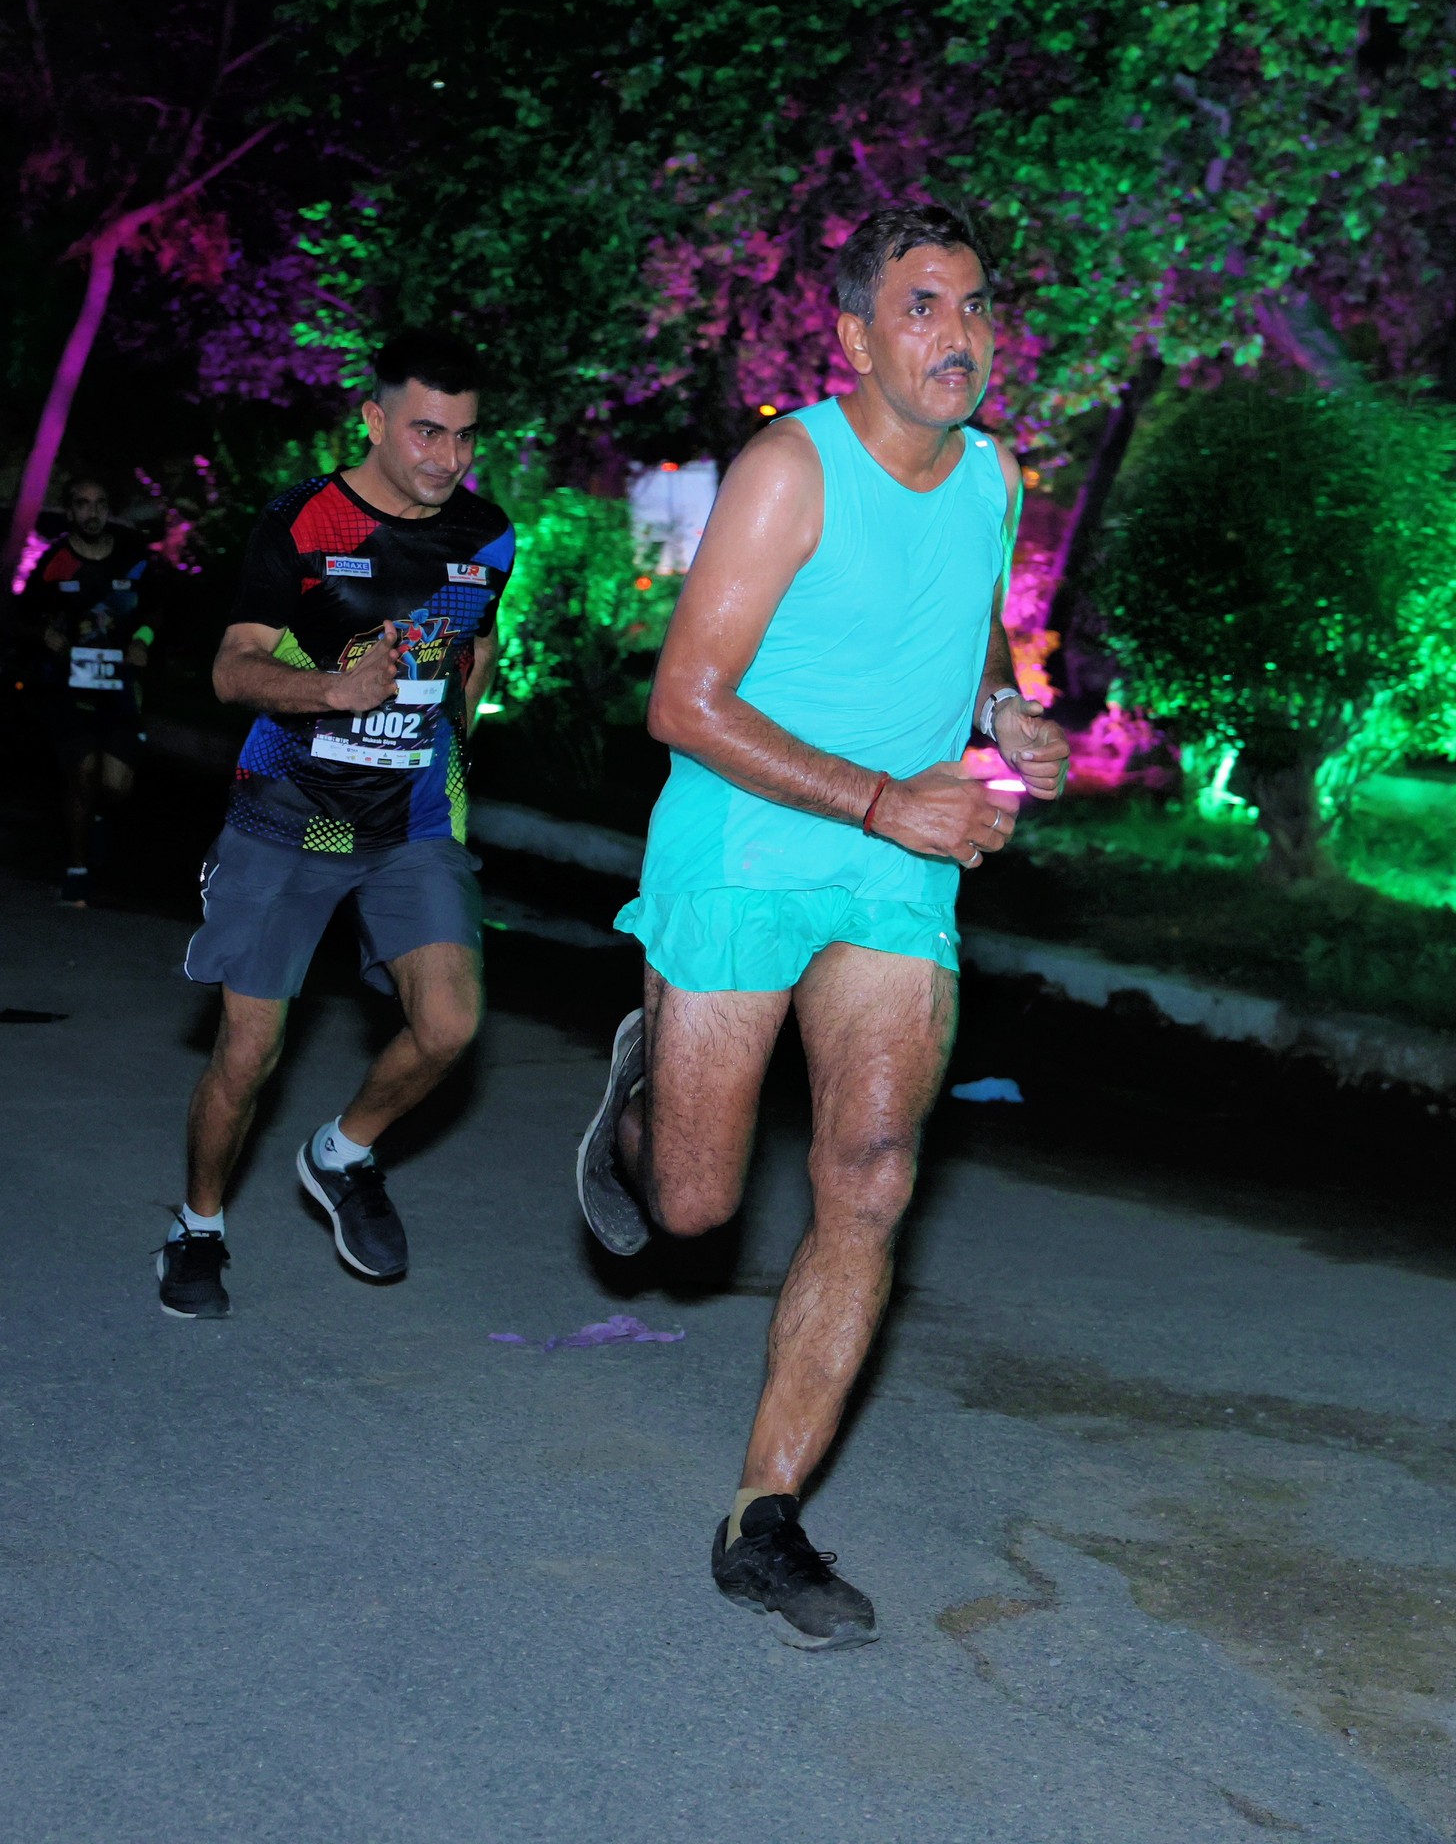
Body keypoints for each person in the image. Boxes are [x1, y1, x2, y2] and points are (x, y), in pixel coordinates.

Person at [572, 205, 1071, 1649]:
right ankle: (643, 1087)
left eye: (976, 306)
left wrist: (1006, 716)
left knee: (873, 1170)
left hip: (895, 868)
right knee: (693, 1211)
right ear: (855, 335)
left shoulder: (994, 477)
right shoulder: (790, 470)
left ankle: (766, 1520)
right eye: (922, 306)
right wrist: (879, 800)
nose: (959, 335)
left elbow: (973, 634)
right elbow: (684, 704)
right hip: (746, 841)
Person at [159, 330, 514, 1312]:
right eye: (427, 431)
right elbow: (232, 669)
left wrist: (461, 730)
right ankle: (197, 1228)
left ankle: (343, 1151)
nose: (448, 457)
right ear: (373, 419)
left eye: (465, 436)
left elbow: (477, 646)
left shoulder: (487, 534)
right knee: (247, 1054)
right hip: (290, 818)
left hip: (411, 825)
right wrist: (334, 688)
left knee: (449, 1024)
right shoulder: (303, 520)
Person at [29, 478, 153, 906]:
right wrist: (44, 634)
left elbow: (158, 612)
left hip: (120, 690)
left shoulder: (133, 559)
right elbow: (26, 613)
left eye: (100, 504)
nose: (92, 512)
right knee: (82, 774)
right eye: (82, 504)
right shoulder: (55, 561)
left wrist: (143, 640)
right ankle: (77, 870)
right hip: (70, 688)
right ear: (70, 512)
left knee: (115, 786)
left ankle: (96, 815)